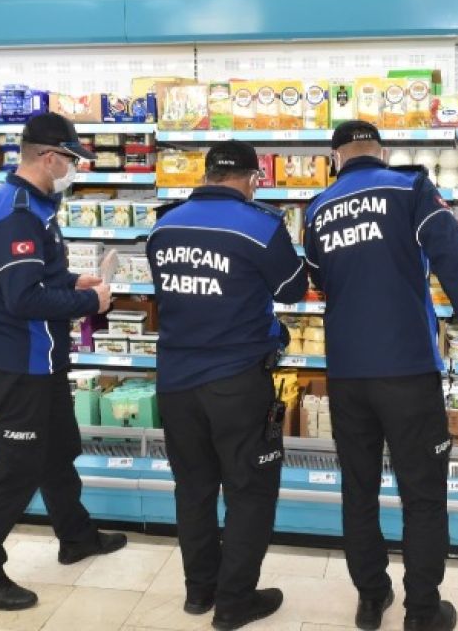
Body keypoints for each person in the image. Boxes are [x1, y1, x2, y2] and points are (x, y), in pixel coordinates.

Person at [303, 120, 458, 631]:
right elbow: (454, 264)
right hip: (408, 370)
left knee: (359, 491)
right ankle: (422, 612)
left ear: (335, 158)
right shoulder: (411, 188)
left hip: (347, 373)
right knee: (422, 496)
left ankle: (371, 599)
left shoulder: (318, 207)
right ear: (383, 152)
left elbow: (321, 279)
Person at [0, 111, 127, 610]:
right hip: (20, 363)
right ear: (50, 157)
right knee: (15, 470)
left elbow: (34, 278)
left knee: (57, 452)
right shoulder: (17, 212)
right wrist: (88, 302)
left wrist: (73, 282)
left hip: (45, 359)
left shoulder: (36, 204)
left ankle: (75, 536)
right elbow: (22, 299)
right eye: (72, 159)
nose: (75, 168)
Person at [146, 140, 308, 630]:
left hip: (176, 380)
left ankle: (200, 591)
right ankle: (235, 602)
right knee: (249, 489)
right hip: (236, 380)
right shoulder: (260, 226)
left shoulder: (164, 225)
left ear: (207, 174)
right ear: (253, 178)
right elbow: (293, 289)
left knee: (193, 488)